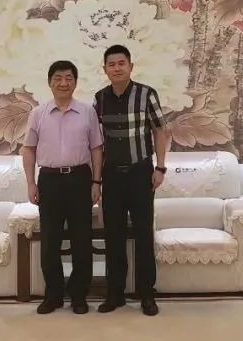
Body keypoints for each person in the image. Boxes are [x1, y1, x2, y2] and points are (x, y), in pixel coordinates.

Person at [21, 60, 103, 315]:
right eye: (58, 78)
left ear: (75, 82)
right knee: (50, 241)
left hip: (80, 179)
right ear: (50, 82)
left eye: (69, 78)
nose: (63, 83)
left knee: (82, 240)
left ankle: (79, 296)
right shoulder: (38, 113)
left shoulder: (88, 112)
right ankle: (53, 295)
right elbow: (29, 149)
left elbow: (96, 148)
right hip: (50, 180)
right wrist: (31, 182)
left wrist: (96, 182)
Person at [94, 45, 168, 316]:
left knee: (143, 234)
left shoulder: (146, 94)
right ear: (105, 69)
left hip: (140, 173)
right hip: (112, 175)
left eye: (121, 63)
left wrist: (160, 167)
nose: (117, 68)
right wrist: (96, 180)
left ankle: (147, 294)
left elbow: (160, 130)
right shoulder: (100, 98)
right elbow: (96, 142)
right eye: (111, 64)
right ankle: (115, 294)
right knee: (113, 236)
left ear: (130, 66)